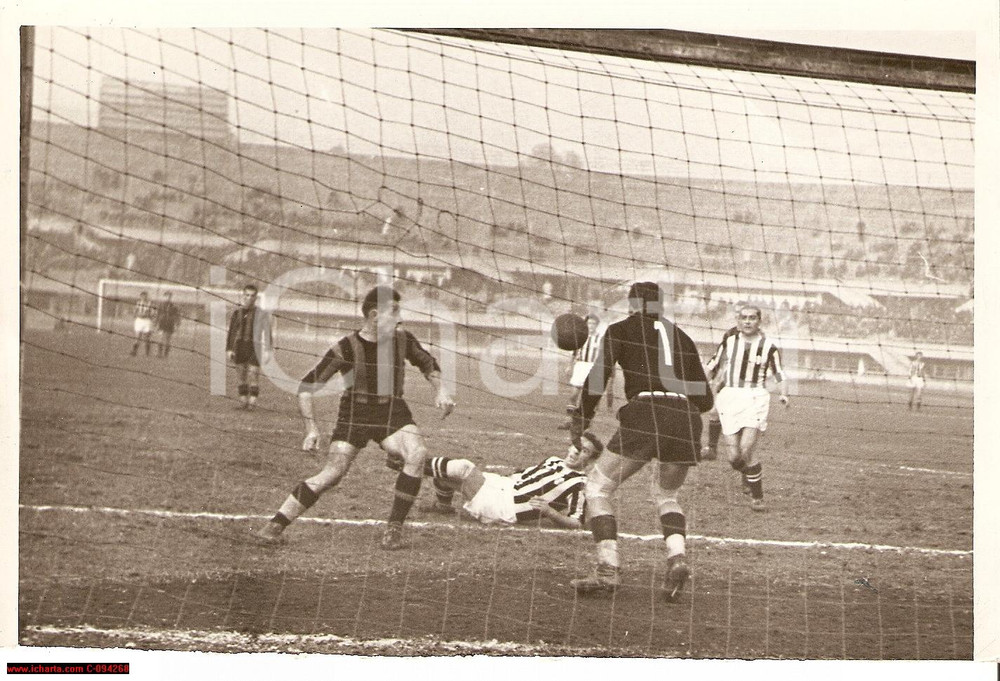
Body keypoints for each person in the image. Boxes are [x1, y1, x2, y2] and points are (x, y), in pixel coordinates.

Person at [255, 285, 456, 550]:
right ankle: (275, 525)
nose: (400, 318)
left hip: (392, 411)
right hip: (354, 414)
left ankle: (393, 529)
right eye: (394, 311)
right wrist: (311, 429)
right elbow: (306, 388)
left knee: (417, 453)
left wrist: (441, 390)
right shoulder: (346, 348)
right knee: (333, 473)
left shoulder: (403, 339)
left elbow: (428, 363)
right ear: (374, 315)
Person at [568, 281, 714, 601]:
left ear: (632, 304)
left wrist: (582, 417)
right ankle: (677, 557)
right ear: (660, 305)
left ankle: (608, 569)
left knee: (598, 488)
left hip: (646, 412)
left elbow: (599, 374)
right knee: (667, 494)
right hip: (687, 418)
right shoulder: (683, 336)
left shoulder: (620, 329)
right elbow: (705, 400)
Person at [424, 432, 603, 529]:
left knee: (463, 468)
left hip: (505, 506)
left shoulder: (579, 483)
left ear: (591, 460)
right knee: (444, 476)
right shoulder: (553, 460)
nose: (576, 452)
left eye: (585, 451)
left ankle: (412, 464)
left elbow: (577, 523)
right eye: (577, 446)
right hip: (502, 485)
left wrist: (550, 512)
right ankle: (443, 506)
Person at [705, 305, 789, 512]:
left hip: (755, 398)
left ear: (759, 321)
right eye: (744, 318)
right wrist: (699, 386)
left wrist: (783, 393)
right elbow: (712, 365)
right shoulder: (729, 342)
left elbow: (779, 373)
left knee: (746, 449)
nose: (748, 321)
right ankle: (748, 473)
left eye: (752, 318)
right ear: (738, 321)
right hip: (730, 396)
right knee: (734, 457)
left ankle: (757, 498)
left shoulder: (769, 347)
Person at [559, 313, 610, 430]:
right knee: (573, 395)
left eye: (593, 323)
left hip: (594, 367)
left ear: (597, 325)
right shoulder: (580, 337)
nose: (591, 325)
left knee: (592, 398)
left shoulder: (601, 339)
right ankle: (569, 420)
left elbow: (605, 354)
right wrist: (570, 366)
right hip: (581, 366)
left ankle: (587, 424)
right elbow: (574, 352)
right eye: (589, 323)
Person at [226, 284, 272, 410]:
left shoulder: (261, 314)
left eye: (252, 296)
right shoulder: (237, 313)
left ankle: (252, 402)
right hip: (240, 346)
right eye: (247, 295)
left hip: (255, 347)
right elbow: (232, 332)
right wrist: (229, 349)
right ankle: (243, 401)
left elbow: (267, 332)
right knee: (241, 376)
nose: (250, 298)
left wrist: (268, 350)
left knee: (253, 374)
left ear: (256, 297)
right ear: (243, 296)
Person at [700, 324, 739, 461]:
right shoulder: (723, 351)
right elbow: (711, 367)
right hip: (723, 387)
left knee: (736, 419)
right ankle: (711, 449)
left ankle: (738, 449)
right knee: (714, 412)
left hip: (742, 390)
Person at [129, 291, 156, 357]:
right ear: (140, 297)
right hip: (139, 321)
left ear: (147, 296)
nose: (144, 297)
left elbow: (153, 313)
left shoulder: (150, 304)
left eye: (145, 296)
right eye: (142, 296)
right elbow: (134, 312)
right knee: (138, 337)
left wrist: (148, 315)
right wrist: (138, 314)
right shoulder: (138, 303)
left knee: (147, 338)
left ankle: (147, 353)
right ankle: (134, 351)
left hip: (147, 321)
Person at [156, 292, 181, 358]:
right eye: (166, 296)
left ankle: (166, 354)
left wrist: (177, 323)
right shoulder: (161, 305)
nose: (168, 298)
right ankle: (159, 353)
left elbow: (177, 315)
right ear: (164, 297)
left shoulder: (174, 306)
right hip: (162, 323)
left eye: (169, 297)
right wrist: (156, 323)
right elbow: (158, 314)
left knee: (168, 339)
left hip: (170, 323)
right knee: (161, 338)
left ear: (171, 297)